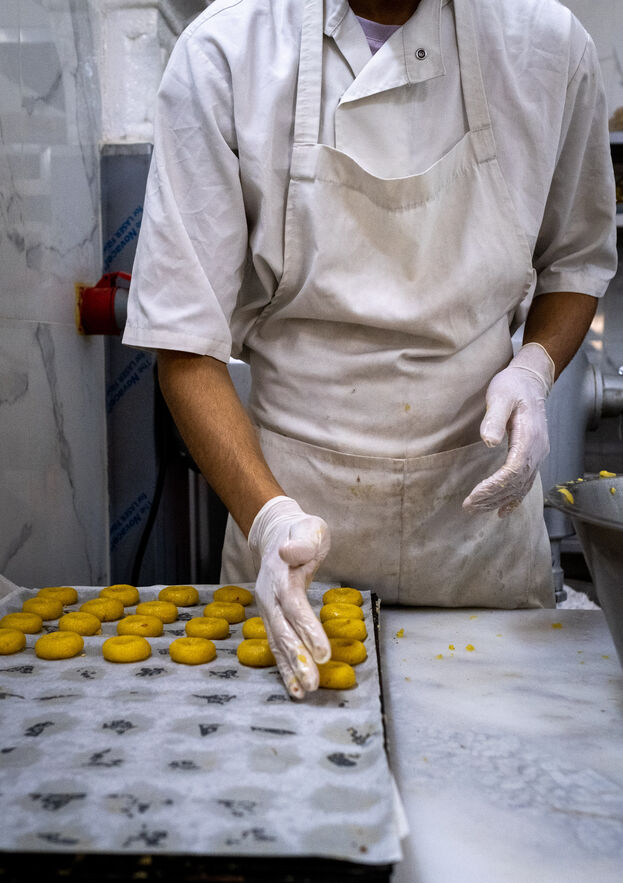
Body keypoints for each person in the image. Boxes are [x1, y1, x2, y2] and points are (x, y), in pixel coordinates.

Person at [124, 0, 617, 698]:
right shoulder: (227, 52)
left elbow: (576, 264)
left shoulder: (545, 46)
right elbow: (183, 344)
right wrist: (271, 522)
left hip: (478, 529)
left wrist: (533, 369)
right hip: (290, 512)